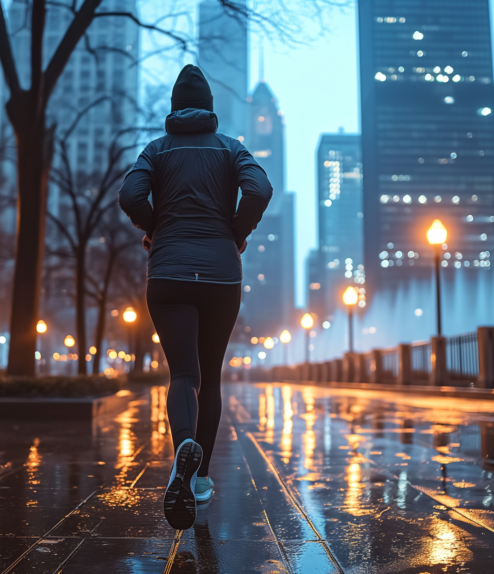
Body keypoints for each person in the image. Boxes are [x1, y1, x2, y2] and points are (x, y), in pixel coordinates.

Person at [118, 64, 273, 530]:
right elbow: (260, 189)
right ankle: (200, 477)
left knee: (183, 373)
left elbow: (129, 195)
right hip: (222, 276)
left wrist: (153, 225)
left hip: (167, 273)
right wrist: (236, 230)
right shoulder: (231, 149)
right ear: (210, 109)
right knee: (212, 378)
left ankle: (182, 444)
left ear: (172, 109)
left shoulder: (156, 150)